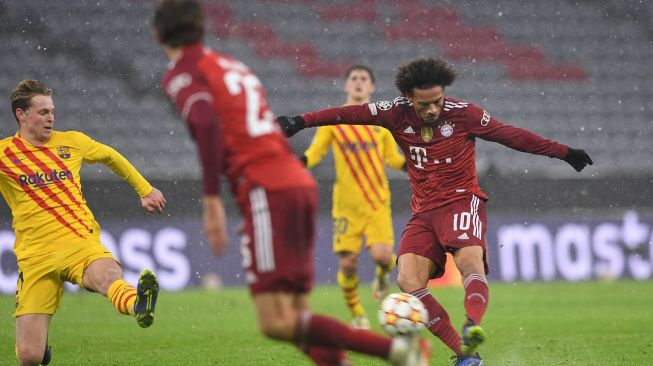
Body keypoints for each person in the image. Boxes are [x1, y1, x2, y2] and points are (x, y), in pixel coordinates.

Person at [153, 1, 429, 365]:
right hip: (293, 185)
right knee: (298, 320)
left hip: (268, 188)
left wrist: (212, 201)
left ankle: (397, 351)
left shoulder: (182, 72)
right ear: (202, 31)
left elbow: (205, 125)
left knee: (275, 322)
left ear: (159, 36)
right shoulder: (234, 66)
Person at [277, 57, 593, 366]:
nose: (432, 109)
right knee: (407, 279)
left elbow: (512, 136)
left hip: (460, 199)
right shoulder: (394, 113)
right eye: (424, 104)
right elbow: (346, 114)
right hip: (424, 210)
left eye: (437, 102)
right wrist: (300, 121)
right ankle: (467, 355)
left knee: (469, 262)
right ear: (408, 99)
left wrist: (564, 152)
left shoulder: (465, 114)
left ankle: (472, 323)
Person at [1, 80, 165, 366]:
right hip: (35, 256)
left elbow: (110, 156)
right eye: (42, 112)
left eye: (52, 111)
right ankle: (41, 351)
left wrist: (145, 189)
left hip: (79, 242)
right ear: (21, 115)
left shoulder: (72, 142)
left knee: (106, 277)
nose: (51, 117)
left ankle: (138, 303)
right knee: (29, 357)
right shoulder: (4, 155)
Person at [301, 65, 405, 329]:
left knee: (384, 257)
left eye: (364, 79)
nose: (358, 83)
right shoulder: (334, 121)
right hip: (346, 206)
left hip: (377, 202)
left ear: (371, 87)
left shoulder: (381, 123)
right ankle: (358, 314)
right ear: (346, 86)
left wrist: (412, 165)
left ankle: (382, 276)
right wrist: (298, 162)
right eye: (354, 79)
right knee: (348, 264)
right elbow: (315, 154)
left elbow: (392, 158)